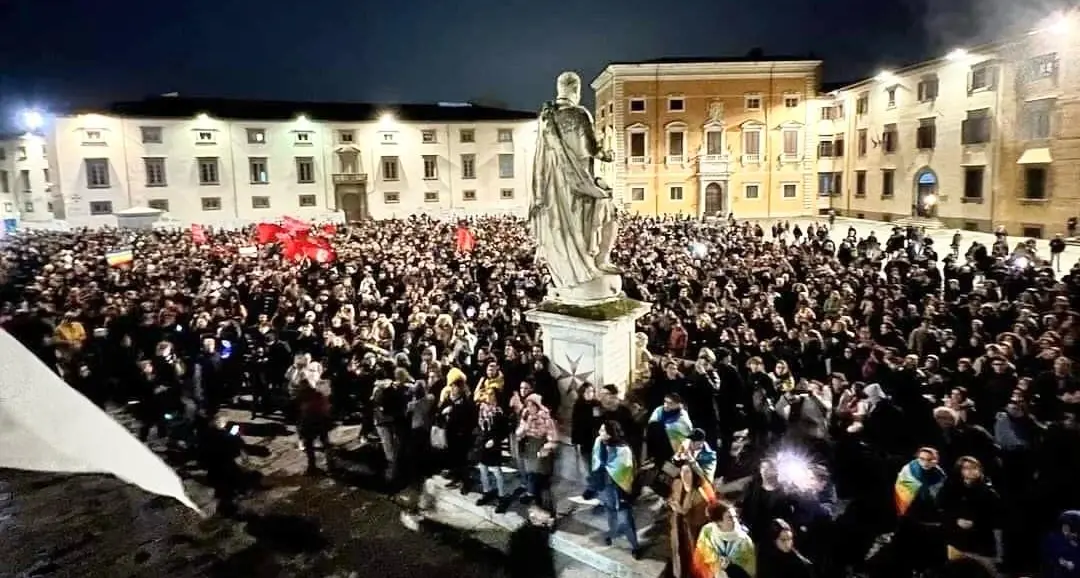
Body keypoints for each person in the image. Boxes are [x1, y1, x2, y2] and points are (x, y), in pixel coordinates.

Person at [529, 70, 620, 296]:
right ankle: (599, 260)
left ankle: (570, 269)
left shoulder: (545, 118)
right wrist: (608, 155)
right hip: (578, 182)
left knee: (563, 228)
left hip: (554, 186)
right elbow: (591, 148)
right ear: (575, 90)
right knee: (609, 211)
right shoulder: (579, 114)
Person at [938, 456, 1003, 568]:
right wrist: (956, 520)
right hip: (955, 540)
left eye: (974, 468)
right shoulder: (949, 488)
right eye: (966, 468)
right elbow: (942, 509)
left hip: (981, 542)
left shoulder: (989, 491)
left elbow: (996, 516)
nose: (971, 471)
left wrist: (976, 523)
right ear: (960, 471)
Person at [590, 420, 641, 558]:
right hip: (606, 487)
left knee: (625, 518)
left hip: (620, 488)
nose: (599, 433)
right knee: (610, 512)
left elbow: (625, 469)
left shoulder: (623, 449)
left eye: (602, 431)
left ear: (610, 433)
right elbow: (596, 461)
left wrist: (608, 468)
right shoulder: (599, 442)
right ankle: (612, 533)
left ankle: (635, 546)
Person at [894, 446, 948, 575]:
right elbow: (902, 493)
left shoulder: (939, 475)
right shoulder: (908, 471)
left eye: (929, 460)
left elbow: (941, 497)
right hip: (910, 516)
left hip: (930, 519)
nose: (925, 463)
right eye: (922, 459)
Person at [692, 501, 756, 578]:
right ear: (718, 521)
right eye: (730, 517)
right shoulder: (707, 531)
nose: (735, 521)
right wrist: (716, 564)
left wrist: (730, 565)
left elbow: (749, 567)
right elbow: (702, 552)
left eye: (735, 517)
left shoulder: (744, 540)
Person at [669, 463, 711, 577]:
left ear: (694, 474)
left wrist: (682, 511)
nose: (684, 475)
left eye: (687, 471)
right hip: (679, 529)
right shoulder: (678, 485)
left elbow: (701, 516)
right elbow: (672, 497)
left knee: (694, 557)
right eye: (682, 471)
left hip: (694, 531)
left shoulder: (700, 492)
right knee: (679, 554)